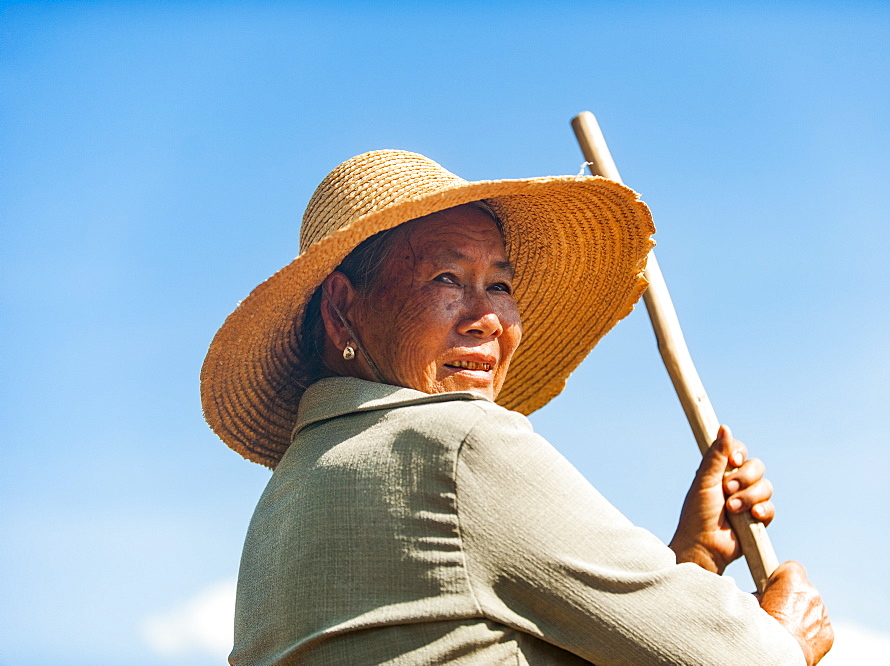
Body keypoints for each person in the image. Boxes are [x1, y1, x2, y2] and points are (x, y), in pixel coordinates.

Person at [202, 149, 833, 665]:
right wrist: (782, 633)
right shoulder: (456, 444)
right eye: (446, 279)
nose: (486, 319)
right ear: (343, 307)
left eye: (499, 285)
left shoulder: (289, 498)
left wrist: (691, 563)